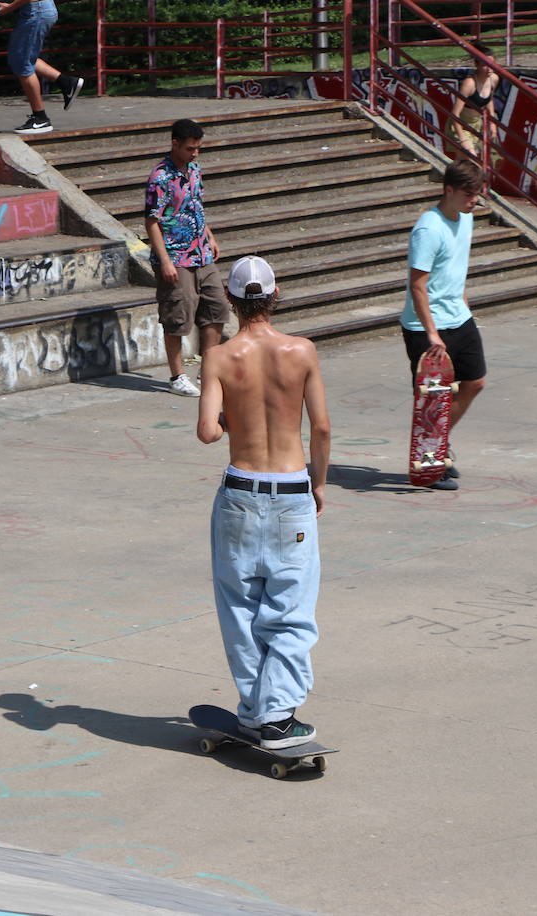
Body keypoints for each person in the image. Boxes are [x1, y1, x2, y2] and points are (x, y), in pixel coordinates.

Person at [197, 255, 330, 749]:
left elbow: (208, 431)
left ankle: (256, 711)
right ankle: (277, 714)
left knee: (240, 607)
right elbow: (320, 427)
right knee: (291, 607)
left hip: (239, 492)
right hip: (292, 490)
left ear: (230, 301)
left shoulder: (218, 357)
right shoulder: (302, 351)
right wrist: (318, 482)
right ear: (275, 296)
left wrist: (236, 418)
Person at [401, 158, 487, 491]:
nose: (474, 201)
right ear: (448, 190)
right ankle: (430, 464)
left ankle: (439, 444)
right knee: (432, 398)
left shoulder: (466, 218)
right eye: (468, 195)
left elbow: (456, 265)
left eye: (476, 195)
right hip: (426, 325)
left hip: (459, 316)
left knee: (475, 382)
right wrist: (432, 333)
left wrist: (464, 303)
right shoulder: (428, 228)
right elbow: (417, 285)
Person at [145, 118, 226, 398]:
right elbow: (151, 222)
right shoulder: (160, 177)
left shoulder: (194, 170)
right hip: (176, 256)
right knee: (177, 317)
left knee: (217, 308)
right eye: (190, 148)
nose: (195, 154)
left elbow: (195, 206)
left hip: (201, 251)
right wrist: (165, 260)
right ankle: (177, 375)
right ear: (175, 144)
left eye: (198, 149)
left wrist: (210, 236)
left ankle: (209, 369)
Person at [0, 0, 84, 135]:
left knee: (22, 63)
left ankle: (40, 118)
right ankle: (67, 83)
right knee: (21, 57)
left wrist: (10, 7)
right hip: (38, 10)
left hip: (36, 11)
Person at [449, 43, 499, 158]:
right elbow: (455, 113)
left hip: (476, 125)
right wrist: (462, 138)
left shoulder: (494, 79)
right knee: (472, 159)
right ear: (477, 65)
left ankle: (454, 175)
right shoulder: (470, 83)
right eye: (485, 65)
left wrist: (492, 124)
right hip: (461, 125)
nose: (489, 68)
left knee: (465, 162)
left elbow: (489, 99)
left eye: (491, 64)